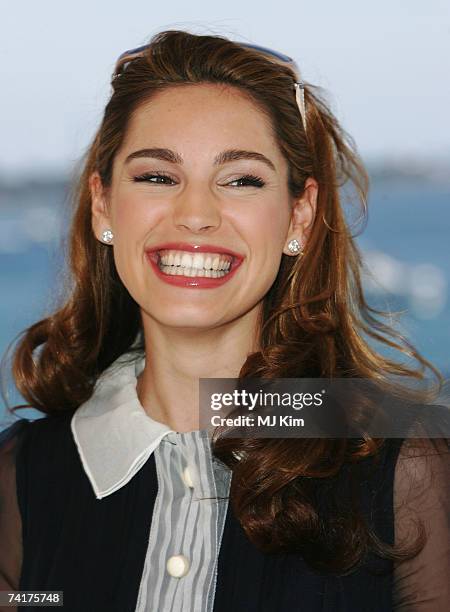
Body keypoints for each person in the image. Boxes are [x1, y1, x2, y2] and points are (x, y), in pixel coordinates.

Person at [0, 29, 449, 612]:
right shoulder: (23, 479)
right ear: (104, 204)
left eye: (241, 180)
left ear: (299, 216)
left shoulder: (408, 461)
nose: (195, 215)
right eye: (157, 177)